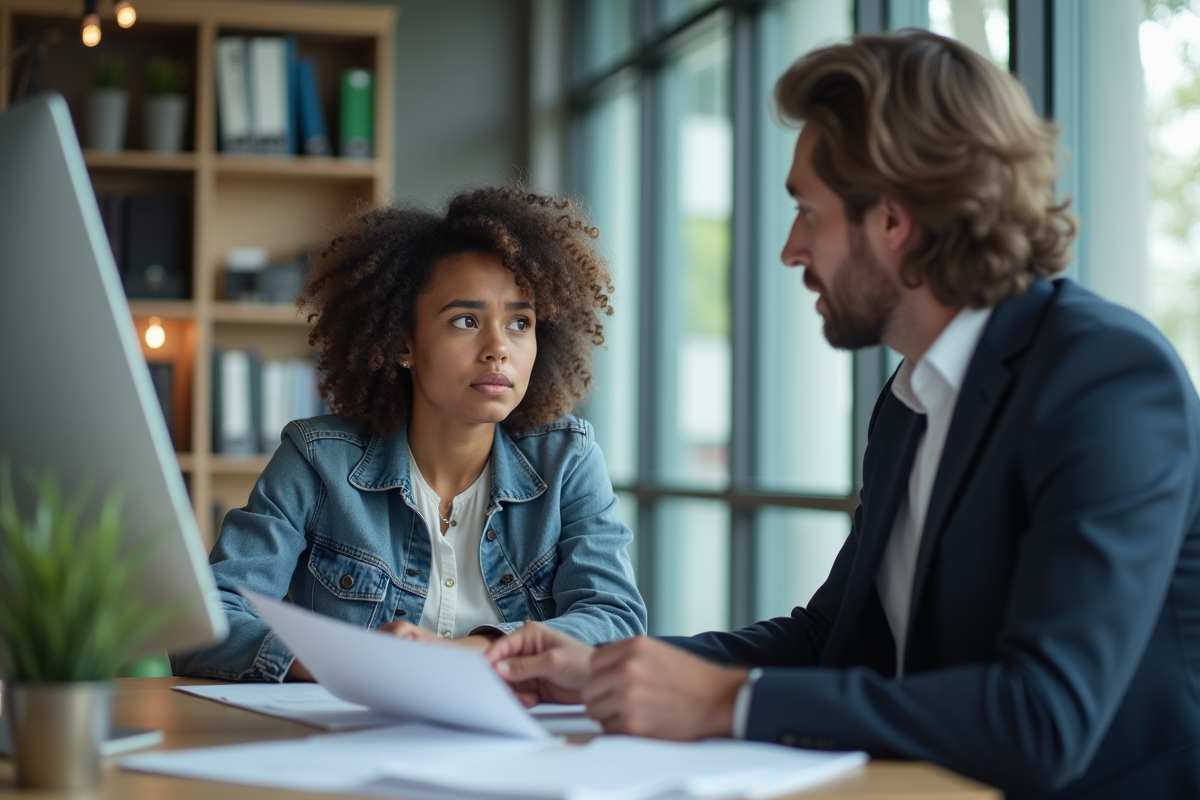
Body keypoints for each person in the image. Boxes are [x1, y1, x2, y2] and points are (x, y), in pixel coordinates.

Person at [485, 31, 1200, 800]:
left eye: (807, 212)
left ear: (893, 221)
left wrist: (728, 703)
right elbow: (833, 637)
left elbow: (1043, 718)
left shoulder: (1106, 378)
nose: (792, 249)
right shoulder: (910, 401)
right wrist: (609, 670)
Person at [173, 186, 647, 682]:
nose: (498, 348)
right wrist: (350, 662)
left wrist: (466, 653)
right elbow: (206, 623)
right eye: (466, 320)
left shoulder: (567, 460)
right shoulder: (318, 460)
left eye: (520, 323)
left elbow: (615, 620)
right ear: (404, 343)